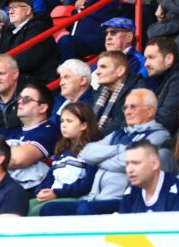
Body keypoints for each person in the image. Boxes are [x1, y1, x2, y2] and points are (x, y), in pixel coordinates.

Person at [40, 89, 170, 216]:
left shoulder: (158, 135)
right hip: (93, 199)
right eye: (125, 107)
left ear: (150, 110)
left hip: (121, 200)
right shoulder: (117, 134)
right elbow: (87, 153)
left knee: (85, 210)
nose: (128, 112)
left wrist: (100, 160)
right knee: (48, 209)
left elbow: (131, 160)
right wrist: (121, 149)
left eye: (133, 107)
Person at [30, 103, 102, 216]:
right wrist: (41, 190)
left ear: (83, 125)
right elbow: (50, 177)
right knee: (26, 206)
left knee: (39, 211)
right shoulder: (62, 150)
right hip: (55, 194)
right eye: (62, 121)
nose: (63, 125)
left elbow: (87, 183)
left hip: (77, 198)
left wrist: (57, 193)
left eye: (69, 121)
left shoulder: (92, 149)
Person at [5, 82, 61, 191]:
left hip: (31, 191)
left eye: (26, 99)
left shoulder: (50, 130)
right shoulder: (13, 132)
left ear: (43, 108)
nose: (20, 102)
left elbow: (18, 159)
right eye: (19, 98)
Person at [120, 140, 179, 213]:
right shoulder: (130, 193)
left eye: (135, 163)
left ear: (155, 164)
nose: (129, 169)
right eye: (127, 164)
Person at [143, 37, 179, 135]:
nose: (146, 64)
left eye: (151, 57)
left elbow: (166, 120)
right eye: (146, 59)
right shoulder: (161, 78)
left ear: (169, 59)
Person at [92, 51, 143, 135]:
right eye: (97, 67)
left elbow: (120, 124)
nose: (97, 72)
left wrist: (92, 138)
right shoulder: (101, 91)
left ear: (120, 71)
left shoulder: (136, 89)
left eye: (103, 67)